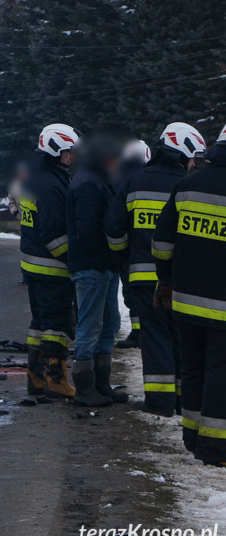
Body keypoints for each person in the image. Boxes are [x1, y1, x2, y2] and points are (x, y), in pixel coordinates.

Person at [107, 126, 194, 416]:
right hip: (180, 280)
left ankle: (159, 403)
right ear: (182, 156)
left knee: (155, 339)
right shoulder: (187, 183)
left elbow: (114, 228)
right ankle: (183, 401)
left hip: (143, 278)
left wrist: (126, 255)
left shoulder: (134, 181)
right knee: (181, 338)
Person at [152, 123, 222, 464]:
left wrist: (165, 281)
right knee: (220, 373)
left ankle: (193, 437)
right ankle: (216, 447)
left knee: (193, 369)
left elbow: (162, 243)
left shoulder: (188, 184)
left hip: (185, 299)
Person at [66, 134, 127, 407]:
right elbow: (87, 231)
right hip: (92, 267)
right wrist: (105, 260)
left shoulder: (98, 180)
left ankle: (101, 383)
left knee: (109, 324)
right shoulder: (88, 184)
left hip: (103, 266)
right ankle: (85, 386)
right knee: (90, 326)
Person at [19, 124, 79, 399]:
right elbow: (53, 232)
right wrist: (72, 260)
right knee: (56, 325)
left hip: (33, 266)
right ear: (55, 150)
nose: (71, 157)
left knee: (39, 325)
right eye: (68, 152)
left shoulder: (34, 178)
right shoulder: (53, 185)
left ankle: (36, 378)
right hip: (52, 268)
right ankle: (56, 379)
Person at [115, 140, 151, 349]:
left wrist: (120, 248)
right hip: (149, 247)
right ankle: (145, 332)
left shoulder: (119, 179)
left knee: (131, 292)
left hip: (128, 249)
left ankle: (137, 332)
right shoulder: (147, 178)